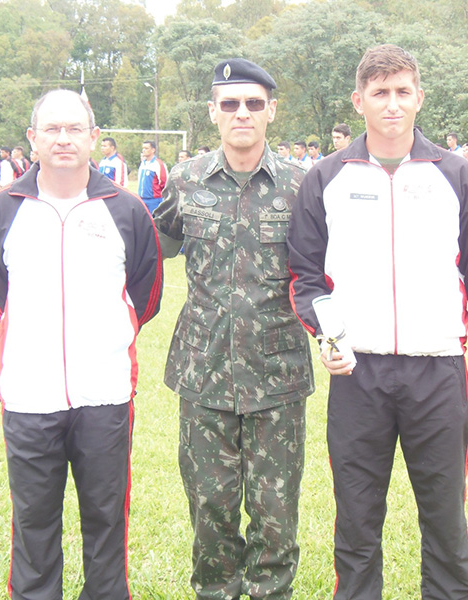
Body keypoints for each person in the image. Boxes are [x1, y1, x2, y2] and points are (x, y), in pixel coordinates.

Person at [288, 44, 468, 600]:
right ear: (358, 100)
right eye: (379, 93)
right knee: (357, 523)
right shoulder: (325, 178)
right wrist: (328, 337)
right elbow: (305, 277)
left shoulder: (456, 176)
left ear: (419, 98)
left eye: (402, 92)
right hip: (356, 377)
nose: (392, 104)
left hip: (437, 374)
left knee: (445, 520)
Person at [0, 89, 163, 600]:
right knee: (33, 521)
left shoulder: (124, 211)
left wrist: (102, 340)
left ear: (94, 137)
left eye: (74, 128)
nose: (63, 138)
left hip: (104, 394)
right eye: (51, 130)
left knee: (107, 519)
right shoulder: (1, 209)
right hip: (28, 394)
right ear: (32, 139)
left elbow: (145, 296)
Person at [153, 58, 314, 600]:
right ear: (212, 113)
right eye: (229, 104)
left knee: (276, 512)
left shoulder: (302, 186)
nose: (241, 113)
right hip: (204, 372)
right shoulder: (186, 180)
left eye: (252, 103)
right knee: (209, 508)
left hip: (277, 376)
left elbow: (331, 268)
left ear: (272, 110)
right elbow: (151, 249)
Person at [137, 140, 167, 214]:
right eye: (143, 148)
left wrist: (157, 194)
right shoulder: (143, 164)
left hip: (154, 200)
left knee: (153, 222)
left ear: (153, 150)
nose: (144, 150)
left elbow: (163, 182)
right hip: (142, 199)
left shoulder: (158, 164)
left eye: (146, 148)